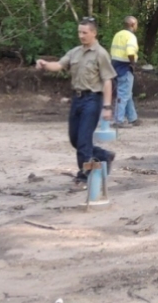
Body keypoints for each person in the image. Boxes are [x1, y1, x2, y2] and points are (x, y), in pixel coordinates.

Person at [36, 17, 116, 188]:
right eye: (79, 32)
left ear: (94, 33)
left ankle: (85, 176)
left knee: (84, 141)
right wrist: (45, 64)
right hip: (77, 99)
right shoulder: (75, 52)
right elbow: (59, 65)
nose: (81, 36)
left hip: (92, 99)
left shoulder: (101, 54)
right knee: (75, 139)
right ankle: (104, 155)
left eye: (84, 32)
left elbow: (107, 80)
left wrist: (107, 107)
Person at [110, 16, 140, 128]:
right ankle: (119, 120)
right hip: (125, 68)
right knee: (123, 94)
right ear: (133, 25)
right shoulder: (131, 36)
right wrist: (133, 64)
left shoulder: (117, 35)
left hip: (115, 67)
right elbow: (130, 52)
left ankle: (133, 118)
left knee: (127, 94)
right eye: (136, 24)